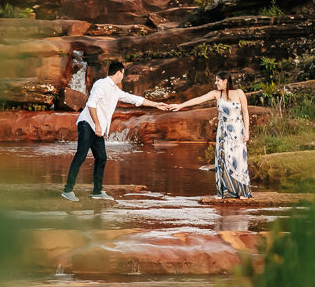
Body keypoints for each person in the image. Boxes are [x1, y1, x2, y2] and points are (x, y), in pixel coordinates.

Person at [62, 60, 168, 202]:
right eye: (123, 73)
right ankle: (68, 190)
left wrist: (156, 104)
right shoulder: (101, 84)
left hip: (96, 128)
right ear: (119, 73)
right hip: (88, 124)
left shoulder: (115, 90)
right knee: (81, 155)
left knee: (101, 158)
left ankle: (97, 192)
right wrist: (98, 125)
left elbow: (133, 99)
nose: (123, 76)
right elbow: (90, 103)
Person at [167, 71, 251, 199]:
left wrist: (247, 132)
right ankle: (225, 191)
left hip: (237, 130)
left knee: (238, 158)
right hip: (223, 132)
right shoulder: (216, 94)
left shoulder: (239, 93)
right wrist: (180, 106)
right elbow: (198, 100)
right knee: (223, 159)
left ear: (225, 81)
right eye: (216, 80)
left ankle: (241, 192)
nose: (216, 83)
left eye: (218, 80)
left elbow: (245, 112)